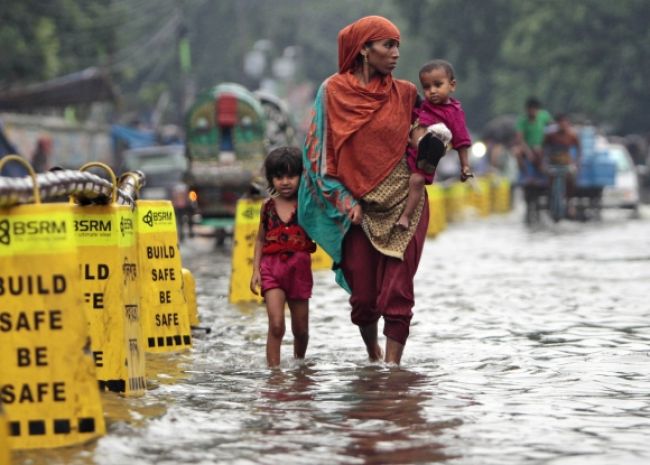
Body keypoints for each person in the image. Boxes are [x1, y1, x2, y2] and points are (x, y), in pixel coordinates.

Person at [298, 15, 429, 365]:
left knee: (399, 290)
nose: (396, 53)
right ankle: (373, 355)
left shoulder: (407, 94)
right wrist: (344, 200)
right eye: (389, 45)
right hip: (357, 209)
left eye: (398, 45)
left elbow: (430, 131)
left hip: (406, 205)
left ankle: (392, 370)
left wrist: (439, 145)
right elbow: (317, 157)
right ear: (364, 50)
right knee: (365, 297)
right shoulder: (332, 93)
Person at [250, 146, 317, 368]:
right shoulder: (267, 208)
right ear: (271, 179)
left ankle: (299, 365)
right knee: (276, 325)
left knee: (302, 330)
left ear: (301, 176)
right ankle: (274, 373)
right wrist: (255, 271)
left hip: (299, 273)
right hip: (272, 271)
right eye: (279, 177)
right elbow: (260, 239)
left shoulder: (306, 206)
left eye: (291, 176)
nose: (285, 182)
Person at [397, 59, 473, 230]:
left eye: (438, 85)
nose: (432, 91)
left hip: (426, 158)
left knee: (417, 180)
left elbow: (461, 141)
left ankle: (406, 216)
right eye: (427, 87)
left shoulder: (455, 112)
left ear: (452, 85)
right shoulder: (422, 104)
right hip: (407, 149)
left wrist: (465, 167)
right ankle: (421, 143)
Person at [542, 113, 581, 216]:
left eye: (565, 122)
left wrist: (576, 163)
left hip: (566, 164)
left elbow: (579, 149)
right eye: (560, 122)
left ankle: (570, 203)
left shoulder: (571, 135)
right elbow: (544, 149)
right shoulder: (551, 136)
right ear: (557, 124)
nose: (563, 124)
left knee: (571, 178)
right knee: (549, 181)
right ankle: (549, 203)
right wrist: (545, 163)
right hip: (553, 164)